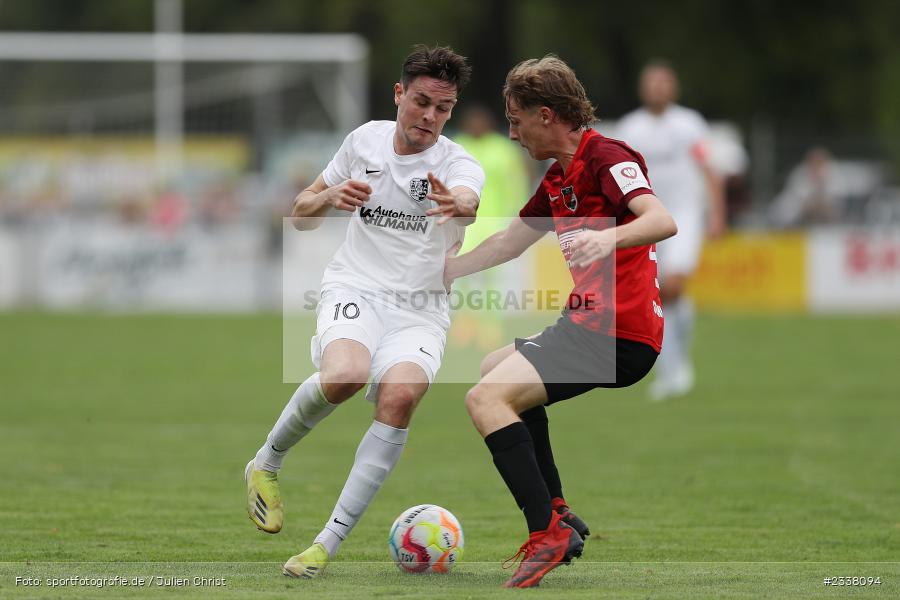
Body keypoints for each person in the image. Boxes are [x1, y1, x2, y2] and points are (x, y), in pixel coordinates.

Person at [245, 45, 484, 579]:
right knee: (348, 375)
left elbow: (469, 199)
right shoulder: (363, 141)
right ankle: (266, 461)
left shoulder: (458, 163)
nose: (429, 116)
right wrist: (329, 194)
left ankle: (323, 547)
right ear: (399, 94)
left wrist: (458, 203)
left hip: (421, 309)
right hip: (356, 286)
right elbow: (301, 214)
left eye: (443, 108)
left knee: (400, 397)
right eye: (421, 101)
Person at [444, 56, 677, 588]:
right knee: (491, 369)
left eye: (516, 119)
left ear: (546, 115)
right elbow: (510, 240)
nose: (511, 131)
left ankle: (544, 532)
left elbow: (661, 219)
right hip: (592, 327)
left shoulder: (606, 156)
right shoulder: (558, 178)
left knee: (484, 400)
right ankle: (558, 513)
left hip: (619, 332)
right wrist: (450, 270)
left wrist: (606, 237)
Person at [615, 60, 725, 401]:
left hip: (685, 214)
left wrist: (717, 212)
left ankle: (678, 366)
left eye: (663, 82)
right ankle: (670, 368)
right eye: (651, 83)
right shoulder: (631, 127)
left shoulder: (689, 123)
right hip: (648, 217)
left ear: (673, 87)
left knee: (674, 285)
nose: (657, 89)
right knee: (658, 293)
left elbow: (708, 168)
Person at [452, 105, 531, 350]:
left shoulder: (503, 149)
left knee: (491, 279)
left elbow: (516, 183)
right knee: (461, 275)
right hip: (464, 224)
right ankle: (465, 323)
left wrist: (517, 214)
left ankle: (490, 325)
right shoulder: (457, 146)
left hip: (494, 223)